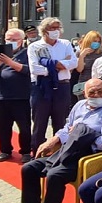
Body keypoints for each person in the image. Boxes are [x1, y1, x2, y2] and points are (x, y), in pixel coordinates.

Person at [28, 17, 77, 160]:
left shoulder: (66, 44)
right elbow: (35, 69)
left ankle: (59, 155)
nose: (56, 31)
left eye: (57, 28)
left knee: (60, 122)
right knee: (39, 123)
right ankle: (36, 154)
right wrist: (60, 65)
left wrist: (49, 65)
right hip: (41, 87)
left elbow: (73, 63)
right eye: (52, 28)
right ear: (44, 31)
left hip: (62, 86)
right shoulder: (35, 46)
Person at [0, 28, 31, 162]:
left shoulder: (27, 53)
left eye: (14, 40)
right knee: (2, 127)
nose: (10, 42)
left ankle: (25, 151)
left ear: (21, 41)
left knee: (24, 127)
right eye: (8, 39)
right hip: (2, 97)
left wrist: (10, 63)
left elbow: (28, 70)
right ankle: (5, 150)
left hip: (21, 97)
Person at [75, 30, 102, 98]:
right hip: (83, 83)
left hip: (97, 84)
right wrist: (82, 56)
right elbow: (79, 69)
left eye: (98, 42)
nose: (96, 43)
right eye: (94, 41)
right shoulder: (79, 53)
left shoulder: (101, 53)